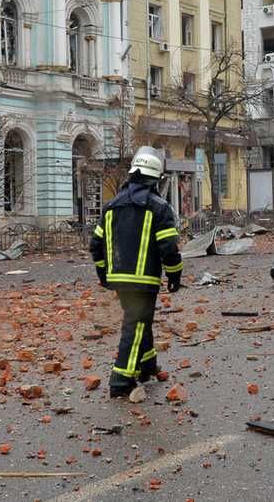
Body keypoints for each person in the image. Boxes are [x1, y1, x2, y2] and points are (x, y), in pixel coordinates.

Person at [89, 146, 184, 398]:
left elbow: (95, 246)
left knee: (141, 322)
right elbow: (169, 249)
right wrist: (175, 276)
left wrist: (103, 275)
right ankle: (121, 379)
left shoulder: (110, 207)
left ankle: (147, 366)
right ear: (155, 179)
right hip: (144, 281)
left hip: (118, 279)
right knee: (136, 324)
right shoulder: (159, 207)